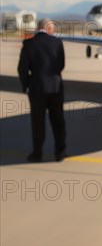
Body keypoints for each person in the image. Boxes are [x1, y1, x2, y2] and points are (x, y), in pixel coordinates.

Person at [17, 18, 66, 162]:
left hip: (37, 88)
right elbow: (61, 64)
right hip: (56, 87)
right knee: (58, 120)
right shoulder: (57, 42)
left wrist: (26, 85)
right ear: (48, 28)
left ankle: (37, 153)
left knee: (38, 122)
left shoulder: (29, 43)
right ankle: (60, 152)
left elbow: (22, 68)